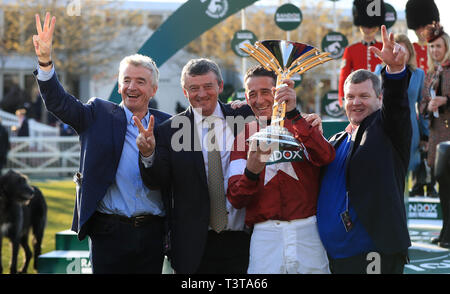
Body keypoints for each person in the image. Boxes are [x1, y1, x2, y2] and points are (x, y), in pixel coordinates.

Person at [32, 12, 171, 273]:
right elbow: (59, 102)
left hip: (152, 233)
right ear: (119, 86)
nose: (132, 86)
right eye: (126, 80)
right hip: (108, 232)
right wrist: (45, 61)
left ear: (153, 90)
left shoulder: (169, 125)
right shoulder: (98, 114)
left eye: (140, 81)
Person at [136, 58, 254, 274]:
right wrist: (148, 154)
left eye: (208, 86)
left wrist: (309, 119)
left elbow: (278, 121)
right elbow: (157, 181)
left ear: (219, 86)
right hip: (193, 247)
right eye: (193, 88)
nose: (201, 94)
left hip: (244, 239)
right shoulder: (169, 130)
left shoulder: (245, 118)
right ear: (184, 91)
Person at [317, 25, 412, 274]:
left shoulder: (386, 128)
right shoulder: (337, 140)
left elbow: (397, 104)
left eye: (364, 96)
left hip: (373, 255)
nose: (356, 102)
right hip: (334, 257)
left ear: (379, 99)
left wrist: (394, 71)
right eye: (350, 97)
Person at [226, 65, 335, 274]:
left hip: (308, 231)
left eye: (266, 92)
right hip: (265, 235)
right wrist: (251, 172)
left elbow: (326, 157)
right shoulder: (243, 138)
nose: (259, 100)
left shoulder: (303, 124)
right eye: (252, 94)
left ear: (279, 92)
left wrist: (294, 114)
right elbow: (236, 198)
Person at [419, 22, 450, 248]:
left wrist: (446, 101)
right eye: (431, 47)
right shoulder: (430, 73)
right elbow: (421, 106)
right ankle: (445, 231)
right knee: (442, 187)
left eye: (438, 46)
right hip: (436, 137)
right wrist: (428, 107)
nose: (435, 51)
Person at [338, 0, 385, 106]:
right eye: (364, 26)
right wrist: (343, 99)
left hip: (380, 98)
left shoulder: (384, 48)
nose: (368, 29)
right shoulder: (351, 50)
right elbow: (344, 77)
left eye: (371, 26)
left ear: (376, 27)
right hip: (358, 98)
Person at [405, 0, 440, 74]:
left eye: (425, 26)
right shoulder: (408, 49)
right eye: (418, 27)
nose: (422, 31)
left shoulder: (442, 49)